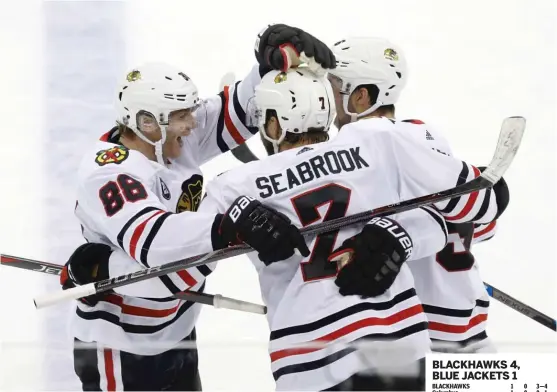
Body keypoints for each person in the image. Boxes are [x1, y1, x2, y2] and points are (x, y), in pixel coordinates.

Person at [197, 64, 508, 391]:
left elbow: (175, 266)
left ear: (273, 124)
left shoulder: (233, 186)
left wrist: (234, 216)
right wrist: (403, 233)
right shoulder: (377, 141)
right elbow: (475, 208)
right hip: (402, 351)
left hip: (308, 365)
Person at [61, 24, 335, 391]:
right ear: (146, 122)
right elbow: (157, 248)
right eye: (181, 116)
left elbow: (236, 111)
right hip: (123, 343)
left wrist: (268, 65)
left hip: (177, 330)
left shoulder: (169, 138)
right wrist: (227, 228)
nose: (193, 123)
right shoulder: (110, 174)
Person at [328, 37, 509, 354]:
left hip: (415, 341)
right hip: (471, 336)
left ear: (360, 96)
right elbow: (482, 223)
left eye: (334, 84)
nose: (325, 95)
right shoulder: (426, 137)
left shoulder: (365, 138)